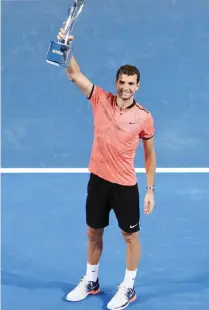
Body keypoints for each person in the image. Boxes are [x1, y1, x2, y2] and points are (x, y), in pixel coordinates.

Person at [57, 28, 156, 310]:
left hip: (125, 187)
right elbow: (75, 75)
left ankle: (128, 286)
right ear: (116, 82)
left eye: (131, 83)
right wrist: (67, 47)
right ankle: (91, 281)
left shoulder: (144, 118)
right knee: (93, 233)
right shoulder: (100, 99)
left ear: (138, 86)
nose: (125, 87)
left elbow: (150, 155)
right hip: (98, 181)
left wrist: (149, 190)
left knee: (130, 237)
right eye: (122, 82)